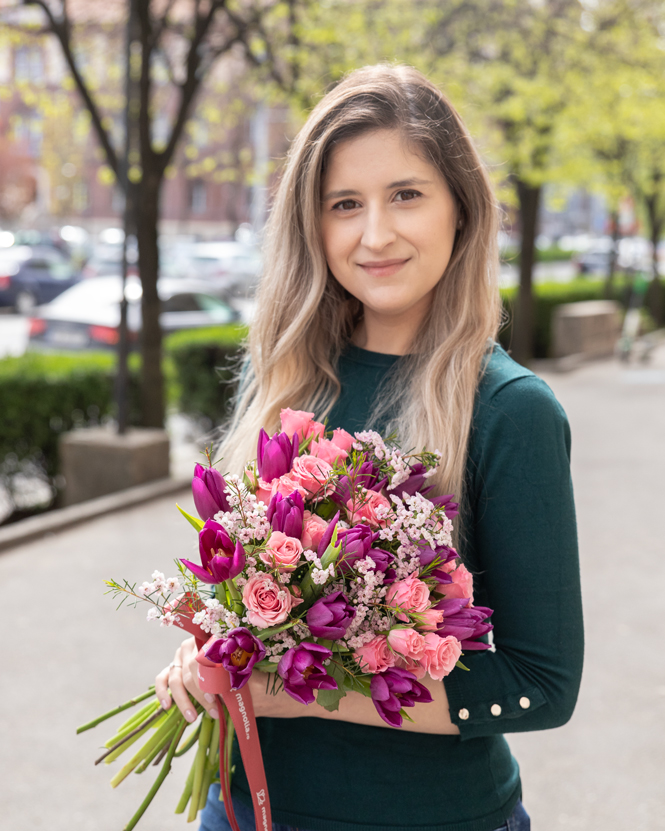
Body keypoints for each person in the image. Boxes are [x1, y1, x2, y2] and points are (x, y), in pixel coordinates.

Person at [156, 64, 584, 831]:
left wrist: (287, 690)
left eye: (406, 195)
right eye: (343, 204)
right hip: (240, 811)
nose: (374, 233)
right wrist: (207, 659)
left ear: (461, 208)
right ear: (311, 225)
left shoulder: (509, 411)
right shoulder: (279, 377)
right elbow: (244, 611)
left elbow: (539, 683)